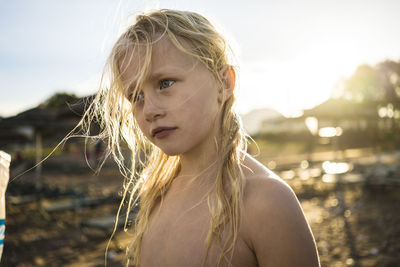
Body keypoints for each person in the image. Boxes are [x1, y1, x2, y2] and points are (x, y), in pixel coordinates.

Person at [83, 9, 320, 267]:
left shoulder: (267, 203)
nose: (149, 110)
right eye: (136, 96)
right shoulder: (158, 193)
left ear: (224, 83)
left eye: (165, 83)